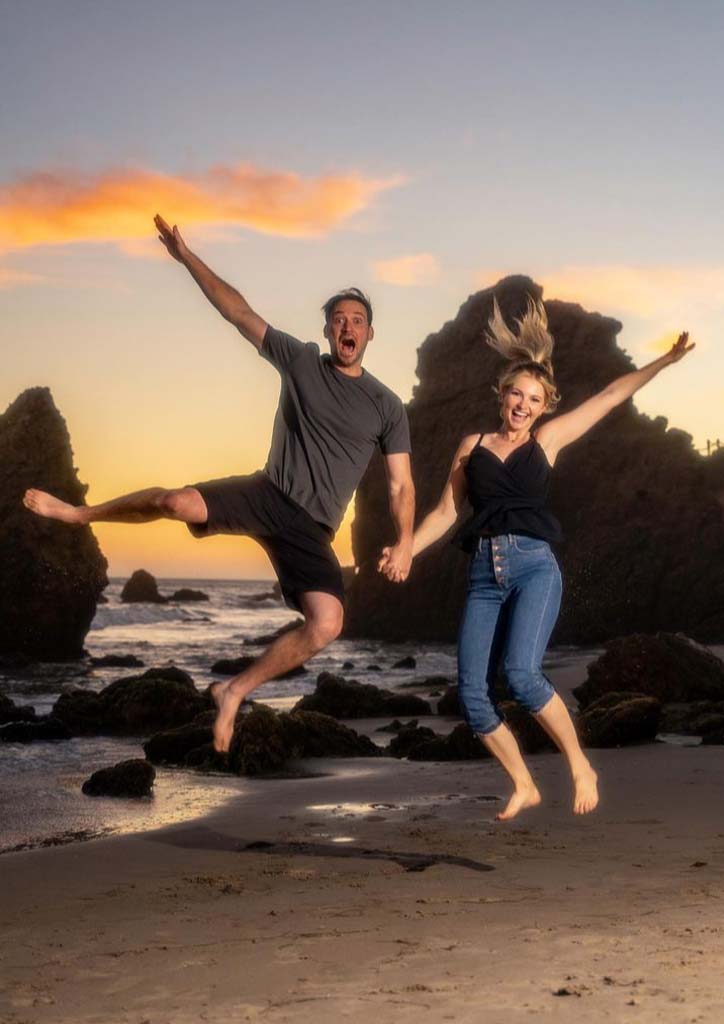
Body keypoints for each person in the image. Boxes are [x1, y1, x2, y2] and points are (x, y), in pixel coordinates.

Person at [24, 215, 415, 752]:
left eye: (358, 320)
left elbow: (400, 486)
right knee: (174, 501)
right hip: (265, 494)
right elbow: (238, 312)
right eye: (339, 319)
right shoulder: (301, 360)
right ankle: (78, 514)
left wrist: (406, 540)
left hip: (312, 529)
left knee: (327, 624)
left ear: (370, 333)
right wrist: (186, 257)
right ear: (328, 330)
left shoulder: (387, 406)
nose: (348, 327)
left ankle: (234, 690)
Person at [391, 296, 694, 820]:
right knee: (472, 695)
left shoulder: (547, 441)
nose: (522, 405)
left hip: (534, 567)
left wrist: (664, 361)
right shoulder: (472, 445)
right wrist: (406, 550)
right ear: (502, 393)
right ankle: (524, 784)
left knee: (522, 674)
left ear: (544, 406)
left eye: (534, 399)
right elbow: (445, 513)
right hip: (484, 574)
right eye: (516, 393)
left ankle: (579, 765)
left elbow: (611, 396)